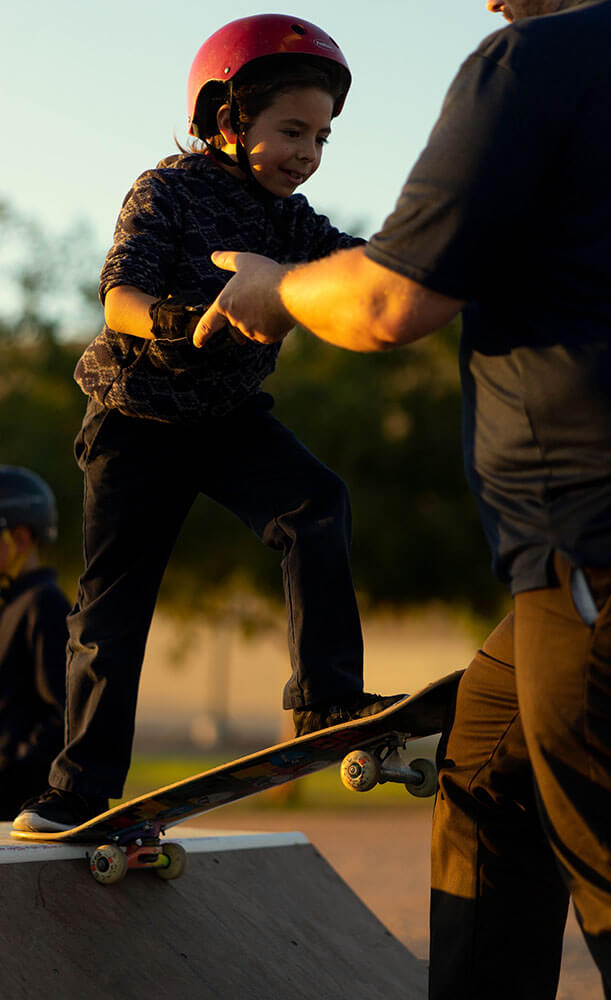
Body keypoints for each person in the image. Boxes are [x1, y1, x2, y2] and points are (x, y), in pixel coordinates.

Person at [187, 0, 611, 996]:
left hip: (608, 550)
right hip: (578, 575)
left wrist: (279, 288)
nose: (486, 1)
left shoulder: (536, 63)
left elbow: (389, 298)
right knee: (488, 755)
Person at [13, 14, 402, 835]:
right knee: (114, 606)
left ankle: (328, 702)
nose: (308, 152)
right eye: (291, 129)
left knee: (316, 503)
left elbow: (371, 264)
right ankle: (77, 790)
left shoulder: (295, 223)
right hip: (134, 420)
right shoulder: (168, 190)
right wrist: (179, 320)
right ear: (227, 120)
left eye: (323, 137)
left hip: (226, 419)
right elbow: (118, 296)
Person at [0, 467, 67, 820]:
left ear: (21, 539)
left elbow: (63, 714)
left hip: (18, 811)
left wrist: (13, 770)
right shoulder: (9, 605)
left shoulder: (45, 605)